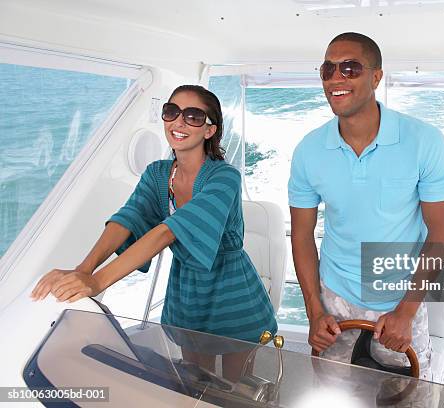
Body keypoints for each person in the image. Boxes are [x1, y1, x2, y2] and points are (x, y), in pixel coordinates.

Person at [31, 84, 277, 380]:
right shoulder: (157, 173)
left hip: (232, 292)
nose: (179, 122)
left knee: (236, 388)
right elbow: (128, 218)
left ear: (209, 130)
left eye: (193, 116)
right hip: (187, 292)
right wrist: (83, 269)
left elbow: (167, 231)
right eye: (171, 112)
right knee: (196, 381)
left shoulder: (225, 177)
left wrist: (96, 282)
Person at [288, 32, 444, 382]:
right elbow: (302, 236)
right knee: (330, 391)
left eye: (350, 68)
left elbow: (440, 233)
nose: (336, 77)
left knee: (411, 395)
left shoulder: (424, 142)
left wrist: (407, 312)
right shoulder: (308, 151)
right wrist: (314, 311)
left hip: (401, 297)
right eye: (328, 69)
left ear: (376, 77)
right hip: (334, 296)